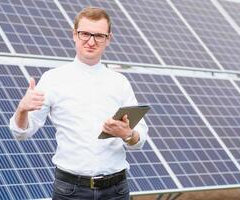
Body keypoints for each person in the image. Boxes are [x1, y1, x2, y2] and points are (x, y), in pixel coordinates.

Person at [9, 7, 148, 200]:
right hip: (70, 191)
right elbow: (21, 133)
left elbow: (139, 140)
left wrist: (127, 134)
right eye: (85, 34)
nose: (91, 41)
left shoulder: (120, 82)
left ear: (108, 39)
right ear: (74, 34)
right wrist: (22, 109)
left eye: (99, 35)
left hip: (116, 190)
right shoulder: (52, 79)